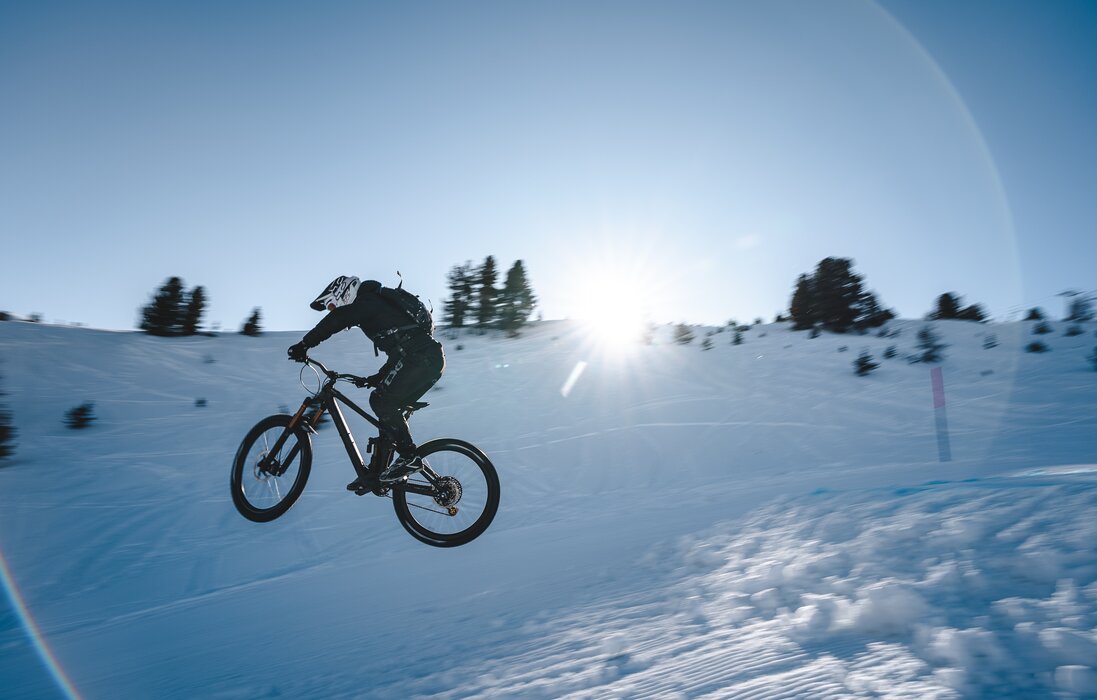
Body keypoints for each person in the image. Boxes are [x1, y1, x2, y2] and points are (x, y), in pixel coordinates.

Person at [286, 276, 444, 490]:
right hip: (422, 359)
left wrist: (305, 344)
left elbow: (337, 319)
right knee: (385, 410)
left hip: (422, 359)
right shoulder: (373, 308)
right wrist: (376, 378)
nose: (333, 310)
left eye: (332, 304)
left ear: (343, 293)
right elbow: (399, 352)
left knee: (381, 400)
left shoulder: (368, 301)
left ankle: (409, 457)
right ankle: (377, 475)